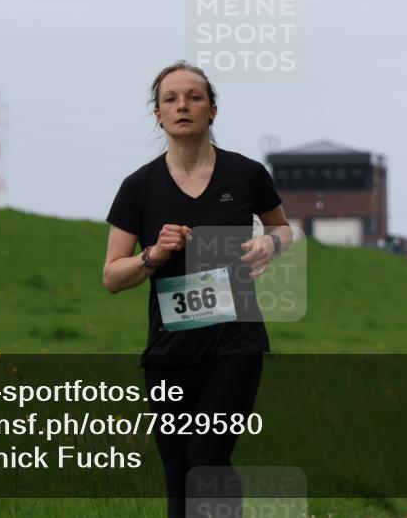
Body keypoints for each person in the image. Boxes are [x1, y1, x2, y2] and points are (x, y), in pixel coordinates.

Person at [102, 61, 293, 517]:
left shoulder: (246, 175)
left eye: (194, 96)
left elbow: (287, 231)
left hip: (235, 342)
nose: (182, 105)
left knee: (206, 458)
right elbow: (111, 276)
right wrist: (153, 256)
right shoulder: (139, 187)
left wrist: (270, 242)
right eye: (170, 98)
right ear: (158, 115)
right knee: (178, 474)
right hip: (170, 349)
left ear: (212, 110)